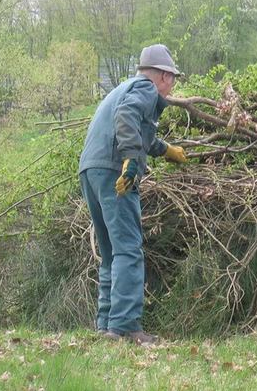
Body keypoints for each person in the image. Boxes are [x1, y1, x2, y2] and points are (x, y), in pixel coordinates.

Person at [78, 44, 187, 346]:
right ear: (163, 76)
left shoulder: (124, 88)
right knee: (128, 249)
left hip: (91, 170)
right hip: (115, 170)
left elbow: (137, 131)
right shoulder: (145, 89)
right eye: (172, 78)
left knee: (112, 252)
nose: (173, 84)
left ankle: (107, 326)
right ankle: (125, 326)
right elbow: (126, 118)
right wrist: (129, 159)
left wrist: (166, 150)